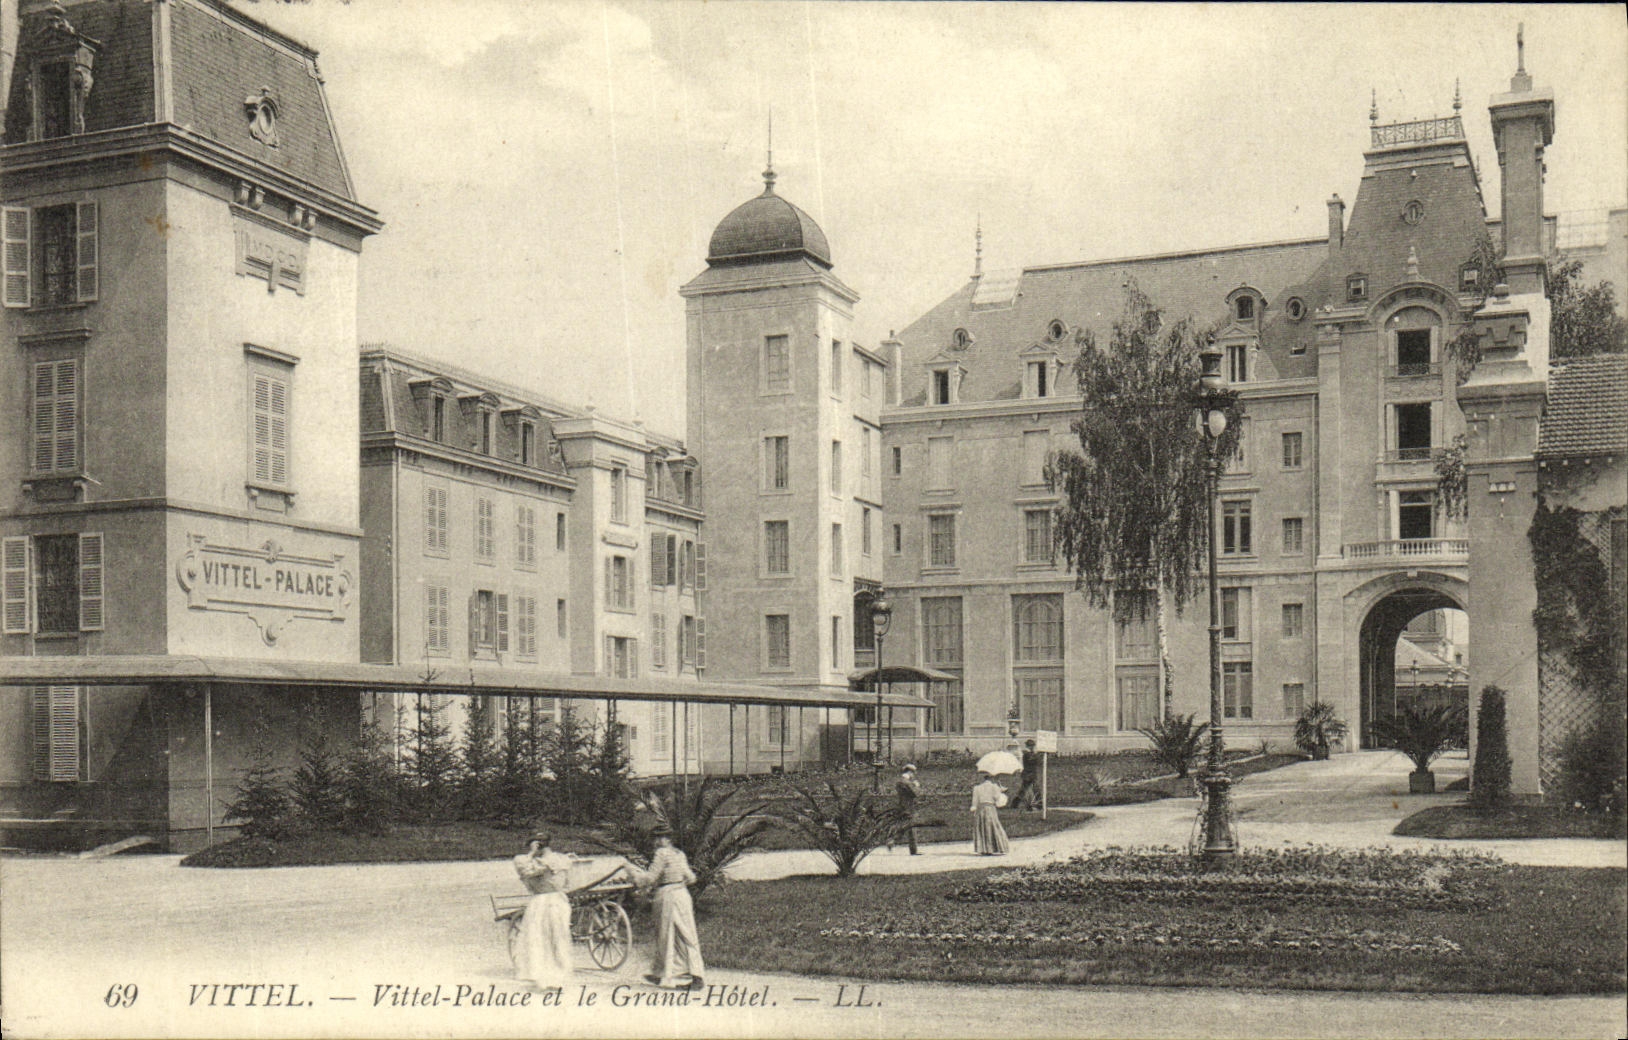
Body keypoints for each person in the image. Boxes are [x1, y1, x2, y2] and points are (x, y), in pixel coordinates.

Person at [633, 825, 705, 990]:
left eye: (660, 837)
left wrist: (637, 878)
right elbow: (691, 878)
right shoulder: (679, 854)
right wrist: (678, 882)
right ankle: (690, 974)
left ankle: (668, 974)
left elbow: (651, 877)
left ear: (668, 839)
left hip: (668, 896)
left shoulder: (661, 853)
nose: (656, 841)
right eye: (656, 837)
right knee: (687, 934)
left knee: (665, 934)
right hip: (682, 894)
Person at [511, 833, 575, 988]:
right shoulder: (562, 859)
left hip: (542, 901)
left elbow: (524, 870)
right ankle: (560, 971)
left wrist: (531, 853)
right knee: (559, 936)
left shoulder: (536, 862)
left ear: (537, 845)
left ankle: (543, 974)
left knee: (539, 937)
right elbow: (567, 883)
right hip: (560, 900)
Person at [971, 770, 1010, 855]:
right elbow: (999, 801)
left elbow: (974, 803)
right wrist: (1001, 792)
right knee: (993, 827)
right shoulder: (994, 787)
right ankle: (997, 847)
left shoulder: (977, 788)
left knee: (982, 828)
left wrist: (975, 810)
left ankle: (984, 849)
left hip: (980, 809)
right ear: (991, 778)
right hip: (990, 808)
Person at [893, 763, 922, 855]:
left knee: (902, 827)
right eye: (913, 773)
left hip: (902, 806)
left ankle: (891, 842)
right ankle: (913, 850)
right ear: (910, 772)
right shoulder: (907, 783)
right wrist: (916, 786)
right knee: (912, 828)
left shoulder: (899, 782)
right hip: (909, 807)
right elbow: (916, 794)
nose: (913, 775)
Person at [1013, 739, 1041, 812]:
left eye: (1033, 746)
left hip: (1031, 774)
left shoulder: (1030, 753)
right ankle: (1039, 804)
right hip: (1028, 774)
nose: (1032, 747)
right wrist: (1036, 755)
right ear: (1028, 746)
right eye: (1030, 746)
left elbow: (1037, 761)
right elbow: (1033, 760)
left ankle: (1015, 803)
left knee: (1028, 790)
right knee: (1031, 789)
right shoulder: (1026, 754)